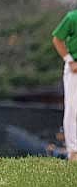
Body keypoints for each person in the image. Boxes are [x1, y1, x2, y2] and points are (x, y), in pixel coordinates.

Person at [52, 10, 77, 161]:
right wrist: (70, 60)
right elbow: (57, 39)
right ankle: (74, 151)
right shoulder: (72, 17)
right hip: (75, 69)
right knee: (73, 109)